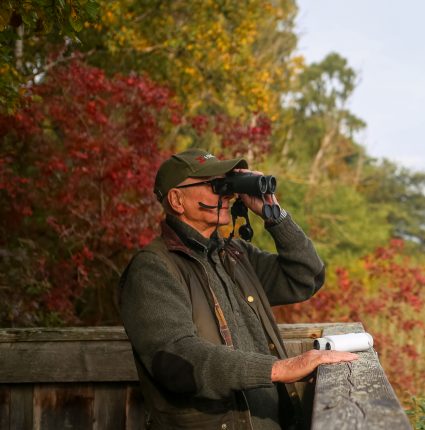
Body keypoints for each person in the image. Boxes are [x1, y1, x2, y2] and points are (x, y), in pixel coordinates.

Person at [119, 148, 357, 430]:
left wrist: (274, 215)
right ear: (177, 200)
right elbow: (177, 357)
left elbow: (306, 277)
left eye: (227, 184)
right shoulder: (153, 269)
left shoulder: (233, 255)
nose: (227, 194)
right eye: (215, 185)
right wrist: (279, 369)